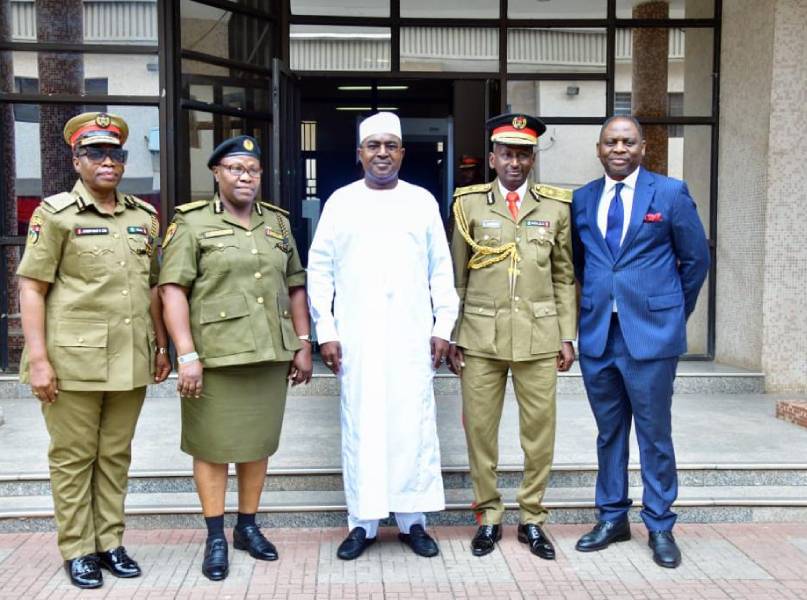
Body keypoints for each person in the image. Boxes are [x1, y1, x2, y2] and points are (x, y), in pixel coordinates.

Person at [17, 112, 171, 589]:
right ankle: (78, 549)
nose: (108, 161)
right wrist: (39, 359)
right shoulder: (55, 214)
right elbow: (31, 288)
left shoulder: (143, 217)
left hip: (130, 358)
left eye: (116, 154)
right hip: (72, 361)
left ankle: (110, 542)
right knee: (73, 456)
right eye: (96, 153)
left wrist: (160, 345)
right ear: (77, 160)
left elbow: (152, 287)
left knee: (115, 455)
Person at [158, 136, 313, 581]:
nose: (246, 177)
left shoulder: (278, 225)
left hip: (268, 353)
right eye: (235, 168)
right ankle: (214, 537)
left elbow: (296, 284)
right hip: (216, 357)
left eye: (253, 169)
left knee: (257, 444)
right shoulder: (190, 223)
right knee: (212, 448)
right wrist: (185, 354)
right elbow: (173, 290)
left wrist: (303, 342)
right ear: (216, 173)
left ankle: (247, 526)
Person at [307, 112, 458, 560]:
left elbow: (441, 270)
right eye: (374, 146)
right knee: (363, 427)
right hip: (358, 337)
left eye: (391, 146)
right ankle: (364, 523)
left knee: (412, 426)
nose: (382, 154)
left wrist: (442, 327)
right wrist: (326, 331)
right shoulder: (340, 202)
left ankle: (414, 521)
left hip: (412, 335)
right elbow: (320, 271)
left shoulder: (422, 202)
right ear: (360, 154)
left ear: (403, 153)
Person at [571, 115, 710, 568]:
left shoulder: (669, 193)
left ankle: (659, 524)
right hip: (599, 337)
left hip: (651, 337)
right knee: (610, 433)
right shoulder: (583, 199)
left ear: (643, 148)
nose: (619, 148)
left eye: (627, 141)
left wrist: (671, 314)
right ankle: (612, 518)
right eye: (610, 141)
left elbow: (695, 260)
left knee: (654, 434)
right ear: (598, 148)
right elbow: (580, 263)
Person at [448, 113, 576, 559]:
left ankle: (533, 519)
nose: (515, 162)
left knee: (539, 433)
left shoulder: (556, 207)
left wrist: (567, 335)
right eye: (507, 153)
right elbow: (456, 276)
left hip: (540, 337)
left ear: (533, 158)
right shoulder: (468, 205)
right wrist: (453, 334)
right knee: (481, 431)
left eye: (523, 154)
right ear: (493, 158)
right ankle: (487, 516)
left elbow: (564, 277)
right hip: (480, 337)